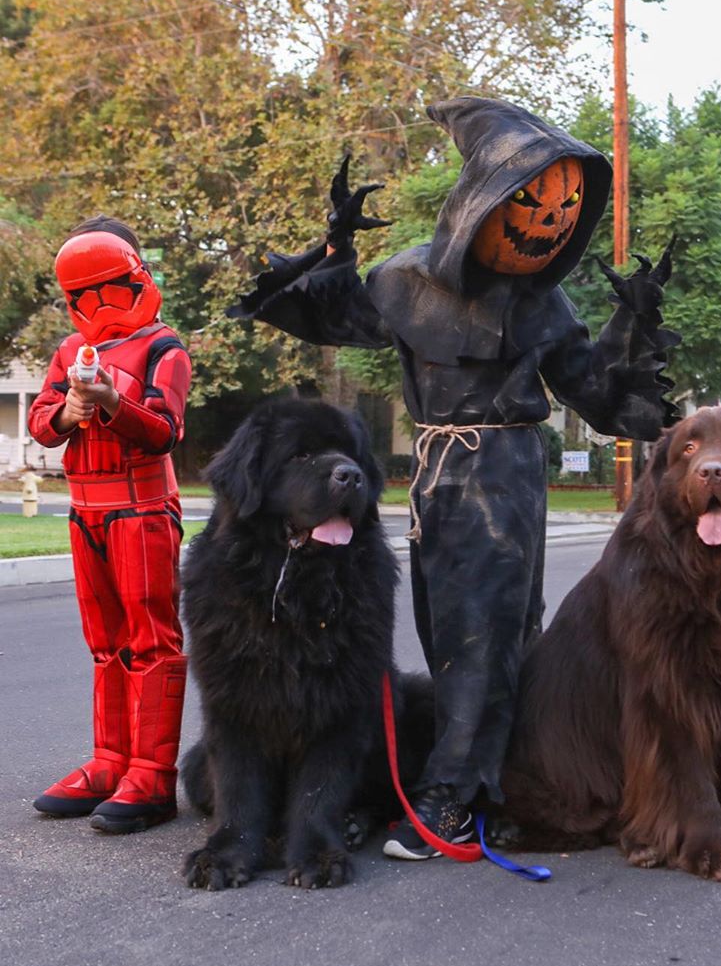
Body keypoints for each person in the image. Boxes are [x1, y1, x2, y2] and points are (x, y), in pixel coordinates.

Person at [227, 97, 680, 860]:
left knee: (487, 639)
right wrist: (332, 252)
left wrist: (630, 329)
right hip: (436, 476)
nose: (553, 217)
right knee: (447, 636)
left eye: (569, 201)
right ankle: (500, 777)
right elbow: (332, 314)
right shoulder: (406, 280)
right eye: (534, 196)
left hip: (502, 474)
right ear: (483, 203)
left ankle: (455, 796)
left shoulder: (543, 303)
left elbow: (601, 396)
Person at [28, 216, 192, 834]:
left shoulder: (163, 347)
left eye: (111, 290)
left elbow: (164, 431)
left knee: (151, 639)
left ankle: (152, 774)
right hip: (87, 510)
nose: (100, 307)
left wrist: (110, 402)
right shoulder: (70, 352)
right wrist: (70, 408)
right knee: (106, 643)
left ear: (137, 278)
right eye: (85, 296)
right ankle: (110, 761)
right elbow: (41, 422)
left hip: (143, 509)